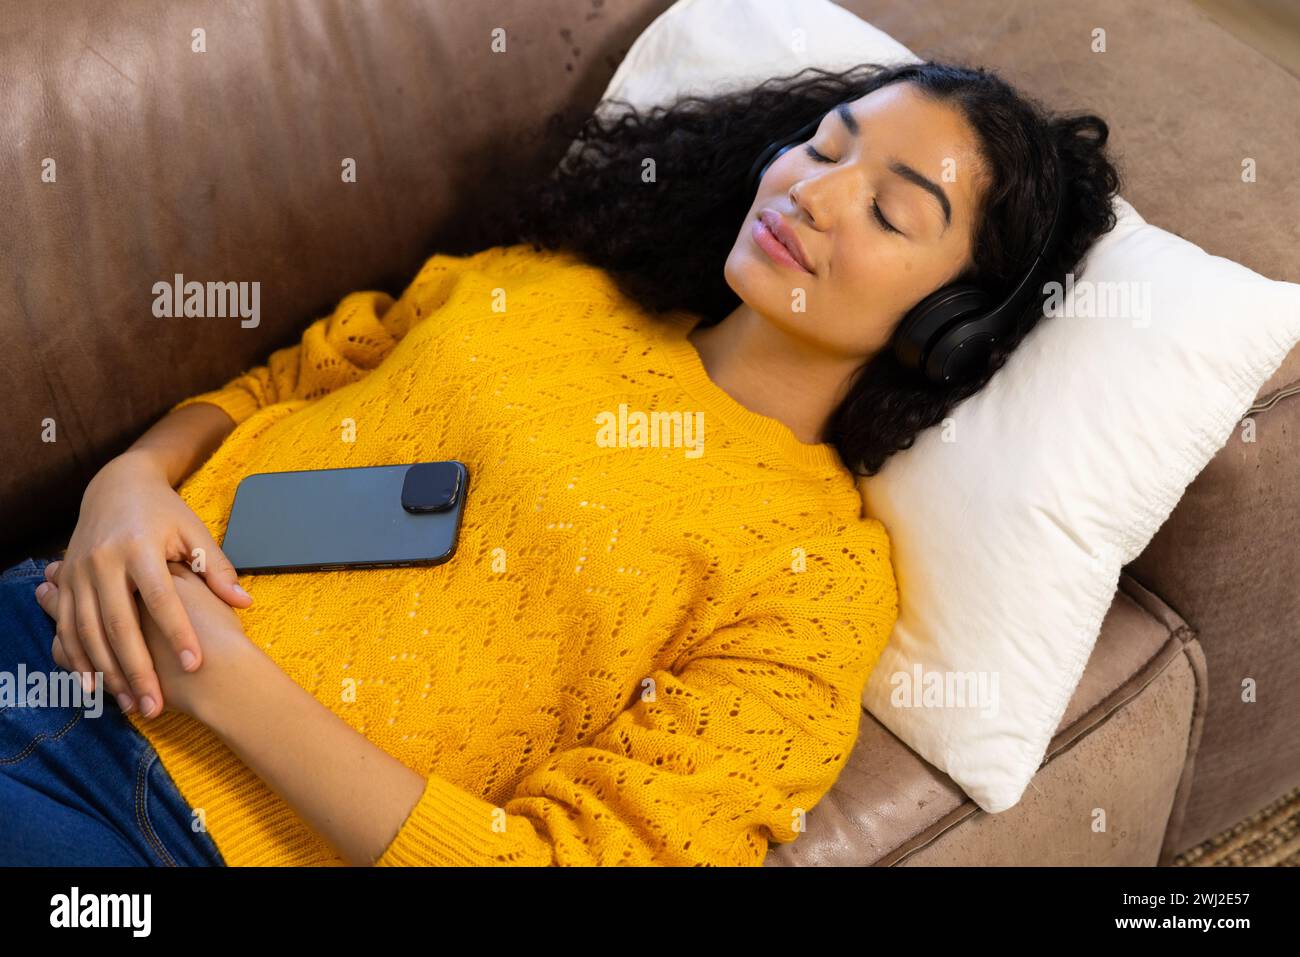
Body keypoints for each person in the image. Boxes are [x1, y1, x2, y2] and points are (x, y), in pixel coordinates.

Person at [1, 59, 1122, 866]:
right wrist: (129, 482)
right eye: (823, 145)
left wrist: (227, 689)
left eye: (886, 208)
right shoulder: (546, 286)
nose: (810, 192)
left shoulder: (816, 579)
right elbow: (293, 383)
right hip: (38, 621)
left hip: (152, 829)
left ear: (953, 324)